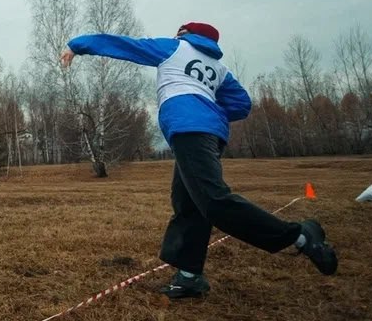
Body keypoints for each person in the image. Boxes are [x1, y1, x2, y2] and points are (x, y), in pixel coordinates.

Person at [59, 21, 337, 298]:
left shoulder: (174, 48)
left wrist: (77, 45)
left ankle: (300, 237)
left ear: (184, 34)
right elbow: (242, 104)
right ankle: (190, 275)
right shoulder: (219, 69)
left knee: (214, 202)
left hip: (189, 130)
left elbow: (126, 45)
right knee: (189, 203)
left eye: (178, 33)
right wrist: (209, 109)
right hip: (209, 134)